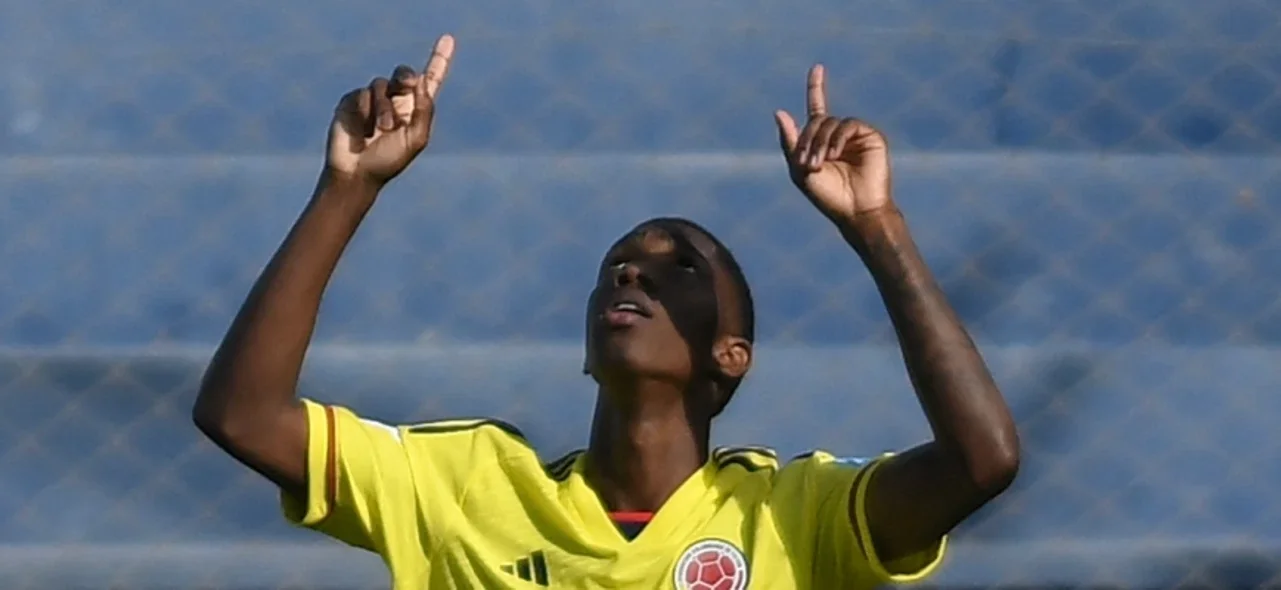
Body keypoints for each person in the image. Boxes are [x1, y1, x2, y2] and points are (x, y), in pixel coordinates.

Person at [193, 33, 1019, 590]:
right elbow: (242, 416)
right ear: (588, 350)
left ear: (730, 353)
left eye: (679, 267)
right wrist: (347, 187)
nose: (632, 272)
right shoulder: (469, 487)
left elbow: (980, 462)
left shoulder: (791, 514)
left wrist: (877, 226)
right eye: (616, 267)